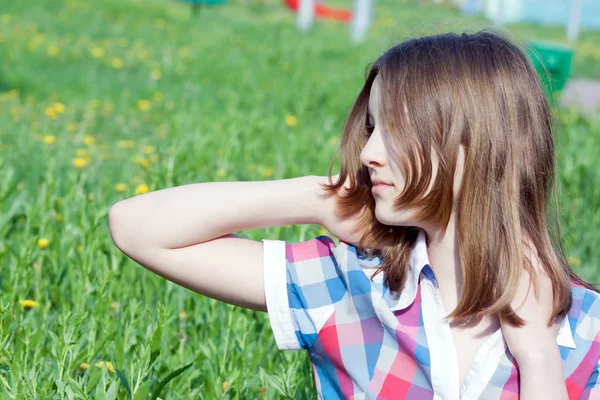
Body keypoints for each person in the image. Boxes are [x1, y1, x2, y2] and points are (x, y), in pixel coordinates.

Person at [107, 31, 600, 399]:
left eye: (395, 130)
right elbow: (136, 227)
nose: (368, 153)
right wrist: (318, 199)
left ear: (475, 146)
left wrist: (538, 357)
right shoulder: (350, 283)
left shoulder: (585, 332)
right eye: (371, 128)